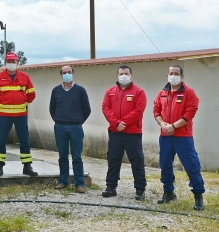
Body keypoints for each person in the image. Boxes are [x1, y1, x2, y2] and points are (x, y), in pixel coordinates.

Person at [153, 65, 205, 210]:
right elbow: (156, 110)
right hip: (165, 136)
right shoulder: (162, 93)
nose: (173, 76)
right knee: (165, 165)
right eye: (171, 73)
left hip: (183, 137)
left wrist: (173, 126)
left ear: (182, 76)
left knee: (191, 166)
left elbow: (190, 113)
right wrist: (163, 124)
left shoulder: (189, 93)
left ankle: (198, 196)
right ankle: (168, 192)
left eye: (176, 73)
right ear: (167, 75)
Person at [101, 64, 148, 200]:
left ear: (131, 76)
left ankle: (140, 189)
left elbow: (138, 110)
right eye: (121, 74)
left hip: (133, 133)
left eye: (126, 73)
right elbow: (105, 108)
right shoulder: (110, 91)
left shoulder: (139, 92)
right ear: (117, 75)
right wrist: (116, 123)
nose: (123, 76)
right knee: (113, 160)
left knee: (137, 161)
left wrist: (124, 123)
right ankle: (111, 187)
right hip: (115, 132)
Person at [0, 52, 37, 177]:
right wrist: (1, 105)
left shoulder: (25, 77)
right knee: (1, 140)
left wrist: (23, 103)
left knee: (24, 140)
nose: (11, 64)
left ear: (17, 63)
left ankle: (27, 166)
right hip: (5, 115)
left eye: (13, 62)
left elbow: (32, 94)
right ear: (5, 63)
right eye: (9, 62)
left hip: (21, 114)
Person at [49, 65, 91, 193]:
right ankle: (63, 181)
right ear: (61, 75)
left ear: (73, 74)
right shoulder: (56, 91)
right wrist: (59, 120)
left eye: (69, 72)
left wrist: (77, 121)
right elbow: (52, 109)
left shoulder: (81, 90)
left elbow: (87, 109)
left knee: (77, 156)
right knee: (62, 156)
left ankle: (79, 183)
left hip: (76, 128)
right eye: (64, 72)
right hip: (60, 127)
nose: (67, 74)